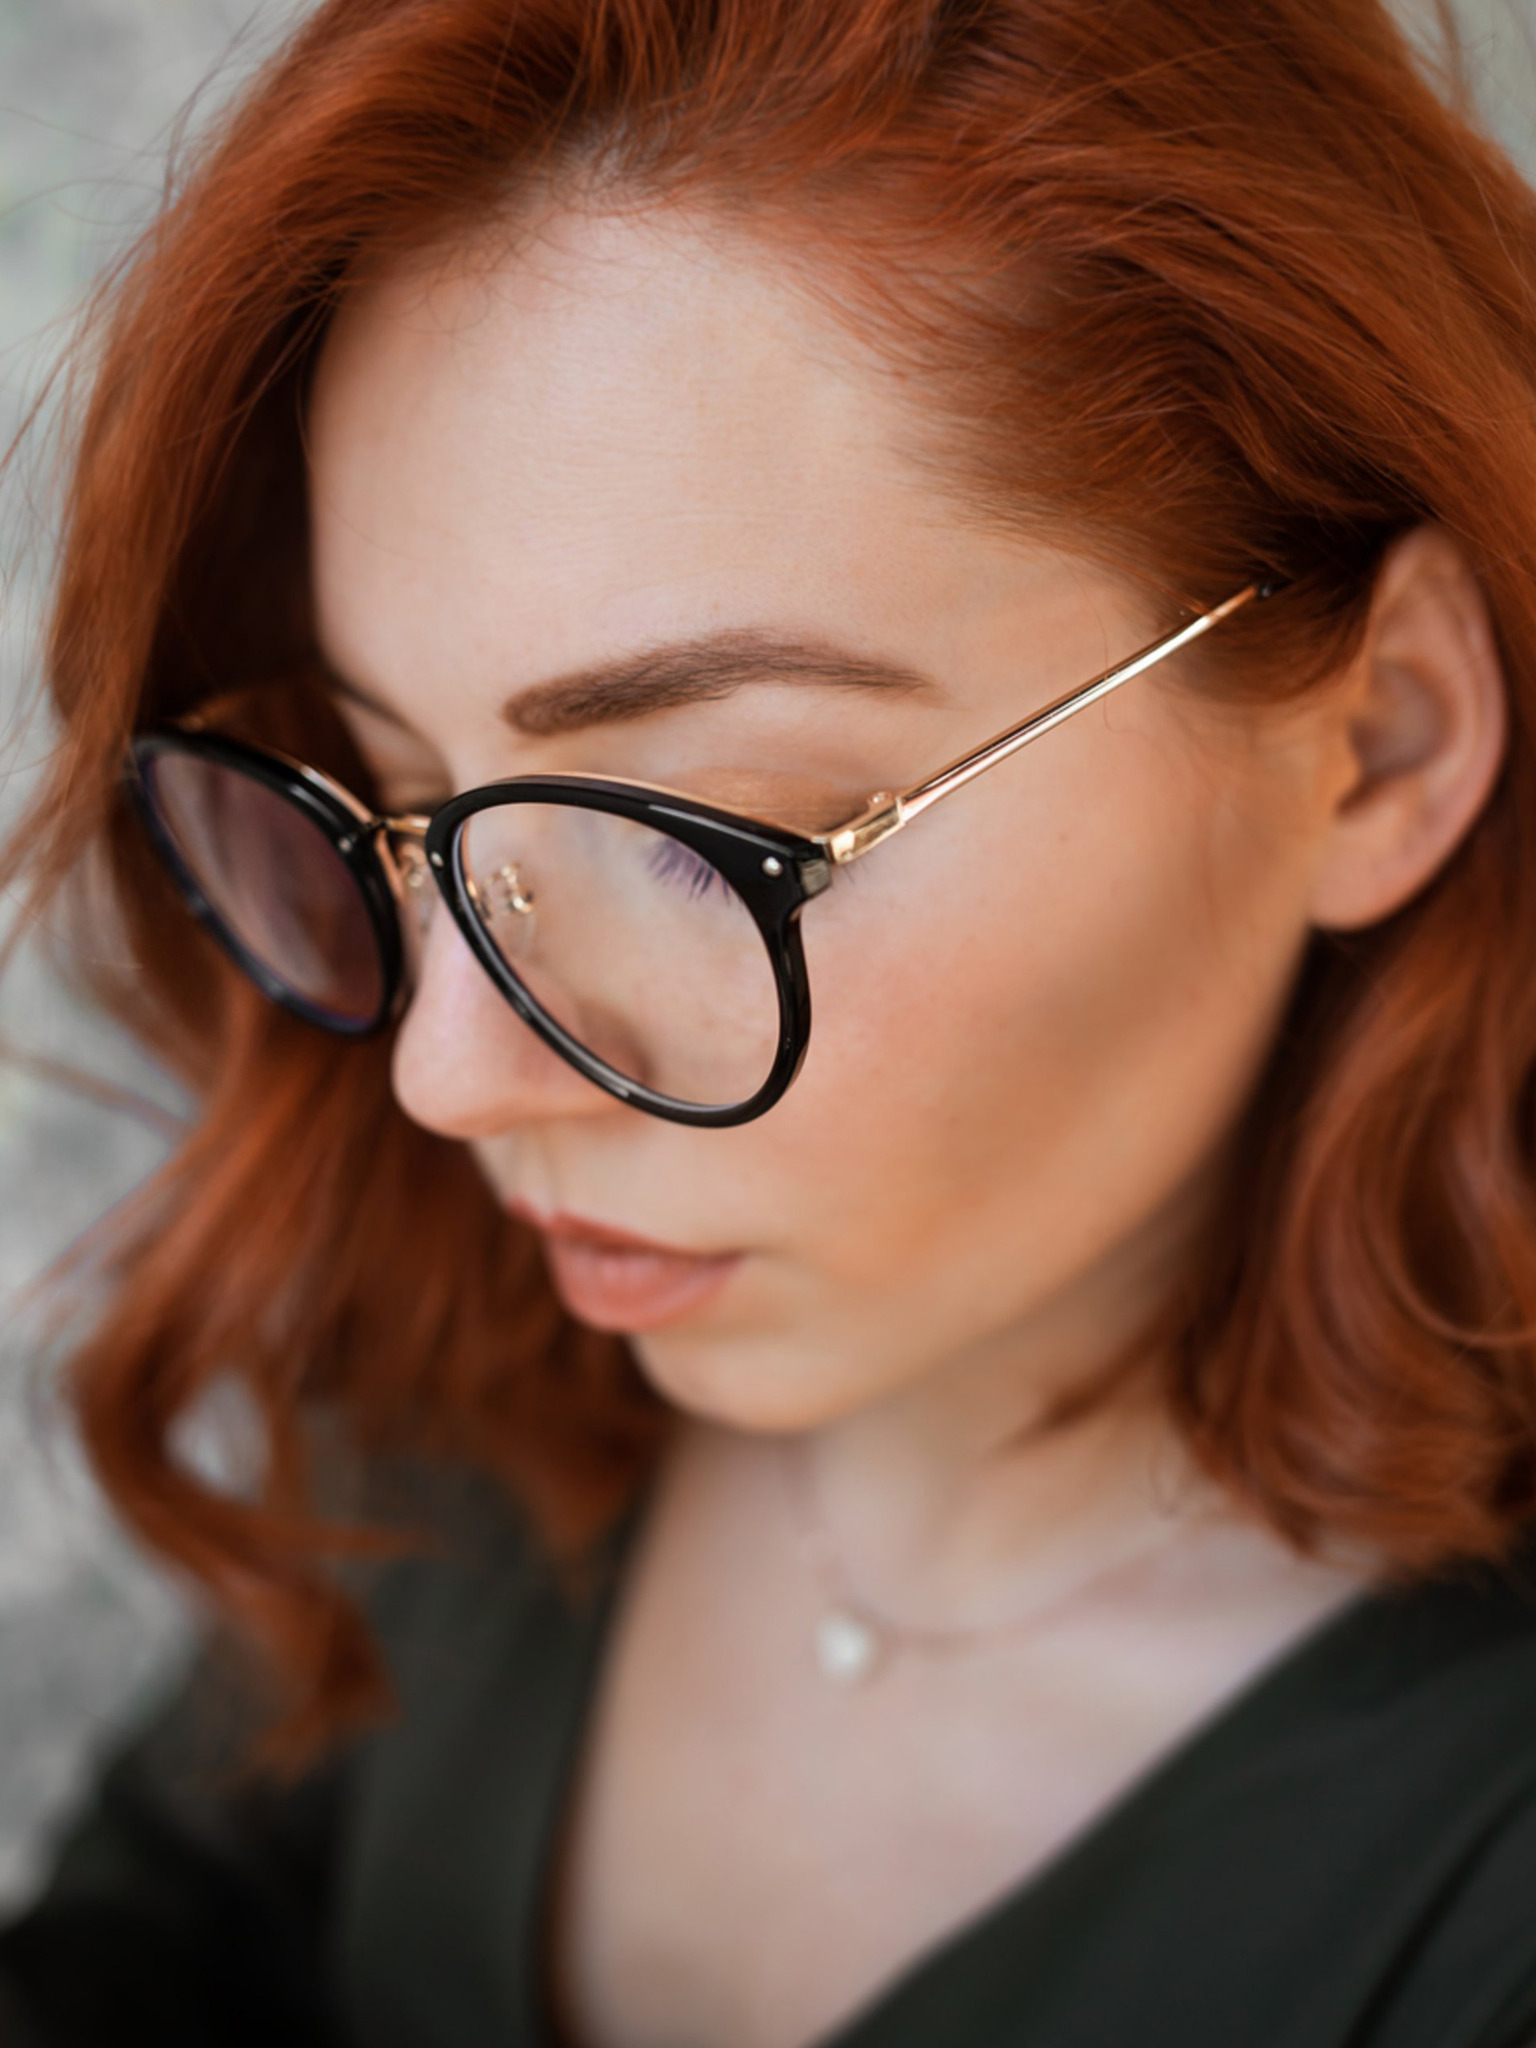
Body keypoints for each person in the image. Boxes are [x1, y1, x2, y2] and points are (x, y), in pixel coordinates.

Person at [4, 0, 1536, 2041]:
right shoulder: (470, 1404)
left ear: (1381, 740)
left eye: (699, 835)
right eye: (397, 796)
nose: (448, 1074)